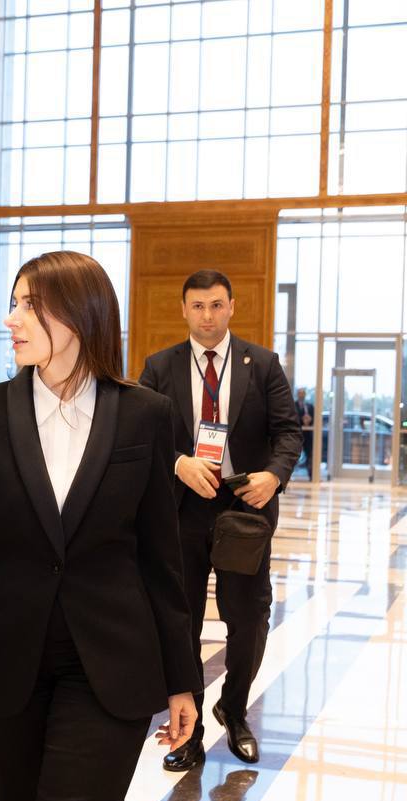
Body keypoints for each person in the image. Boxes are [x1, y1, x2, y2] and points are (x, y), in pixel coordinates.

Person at [0, 251, 199, 801]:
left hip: (111, 662)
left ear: (79, 315)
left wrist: (182, 680)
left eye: (28, 305)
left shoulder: (145, 415)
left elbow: (161, 558)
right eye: (14, 303)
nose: (10, 319)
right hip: (6, 660)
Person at [139, 269, 301, 770]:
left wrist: (272, 477)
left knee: (248, 618)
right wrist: (177, 461)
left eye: (216, 305)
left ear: (232, 306)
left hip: (243, 508)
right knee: (179, 617)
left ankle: (233, 707)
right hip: (181, 510)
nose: (207, 316)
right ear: (183, 309)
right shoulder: (159, 367)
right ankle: (186, 726)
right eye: (197, 306)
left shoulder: (264, 364)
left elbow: (288, 433)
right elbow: (138, 435)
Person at [295, 387, 314, 475]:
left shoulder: (310, 406)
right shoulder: (293, 405)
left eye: (303, 393)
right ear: (297, 394)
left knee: (310, 455)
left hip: (307, 435)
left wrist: (310, 420)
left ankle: (312, 475)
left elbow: (315, 419)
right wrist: (302, 420)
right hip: (297, 435)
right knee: (293, 455)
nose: (301, 395)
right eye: (300, 393)